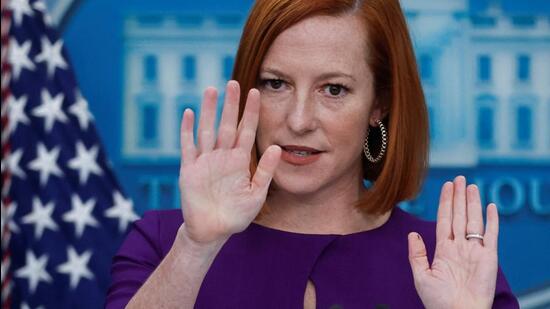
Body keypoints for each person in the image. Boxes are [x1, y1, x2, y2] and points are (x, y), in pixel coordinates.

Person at [106, 0, 519, 308]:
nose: (299, 120)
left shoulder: (452, 262)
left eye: (333, 89)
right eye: (275, 84)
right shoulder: (166, 242)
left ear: (380, 103)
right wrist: (195, 250)